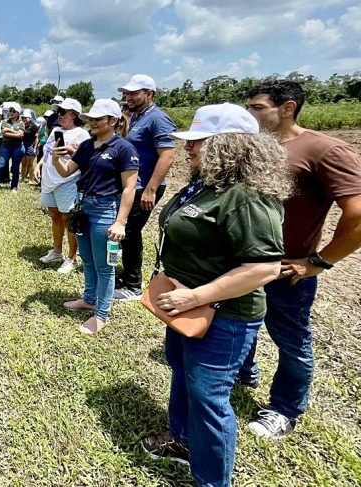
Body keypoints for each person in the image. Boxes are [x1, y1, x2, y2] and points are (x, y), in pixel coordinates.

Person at [139, 103, 293, 487]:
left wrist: (196, 297)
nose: (188, 149)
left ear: (228, 146)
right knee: (183, 374)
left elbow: (263, 268)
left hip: (223, 317)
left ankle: (212, 480)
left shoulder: (246, 197)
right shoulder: (207, 185)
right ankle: (183, 441)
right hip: (185, 306)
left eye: (198, 142)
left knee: (209, 398)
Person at [236, 80, 361, 439]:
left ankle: (285, 408)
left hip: (287, 269)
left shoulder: (325, 150)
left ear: (288, 107)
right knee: (243, 323)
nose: (250, 114)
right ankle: (244, 372)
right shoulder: (256, 146)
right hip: (244, 262)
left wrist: (317, 262)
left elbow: (357, 215)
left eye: (258, 107)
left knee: (291, 339)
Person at [51, 99, 138, 334]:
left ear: (113, 121)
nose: (93, 122)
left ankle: (101, 314)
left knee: (105, 267)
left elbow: (129, 188)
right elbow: (67, 171)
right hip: (83, 208)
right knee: (87, 260)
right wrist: (55, 158)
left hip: (105, 210)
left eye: (98, 119)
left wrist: (120, 222)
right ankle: (89, 299)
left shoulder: (124, 149)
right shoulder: (88, 145)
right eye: (91, 118)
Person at [113, 74, 177, 301]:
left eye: (133, 93)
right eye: (126, 93)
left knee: (130, 232)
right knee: (126, 233)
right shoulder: (137, 117)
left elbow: (168, 156)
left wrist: (150, 189)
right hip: (132, 184)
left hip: (145, 186)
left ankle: (133, 284)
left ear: (149, 94)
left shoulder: (158, 119)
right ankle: (126, 275)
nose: (127, 97)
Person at [34, 98, 90, 274]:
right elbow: (49, 151)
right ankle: (57, 251)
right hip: (49, 180)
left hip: (67, 180)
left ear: (73, 114)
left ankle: (72, 257)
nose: (59, 116)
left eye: (62, 112)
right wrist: (40, 164)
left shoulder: (82, 134)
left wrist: (72, 151)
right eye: (58, 112)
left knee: (69, 219)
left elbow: (84, 159)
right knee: (54, 215)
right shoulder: (56, 130)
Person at [0, 102, 25, 193]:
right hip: (5, 147)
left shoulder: (21, 123)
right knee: (1, 165)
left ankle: (14, 187)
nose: (11, 112)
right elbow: (4, 133)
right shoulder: (5, 122)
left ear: (18, 113)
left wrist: (9, 130)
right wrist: (15, 133)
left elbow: (21, 135)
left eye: (14, 111)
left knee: (15, 167)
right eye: (10, 111)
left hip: (17, 148)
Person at [20, 109, 39, 184]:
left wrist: (34, 147)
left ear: (30, 118)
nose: (24, 119)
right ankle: (22, 178)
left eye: (26, 118)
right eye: (23, 118)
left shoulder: (33, 127)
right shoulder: (21, 125)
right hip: (22, 144)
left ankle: (31, 179)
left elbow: (36, 137)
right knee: (23, 163)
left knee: (30, 164)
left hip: (30, 145)